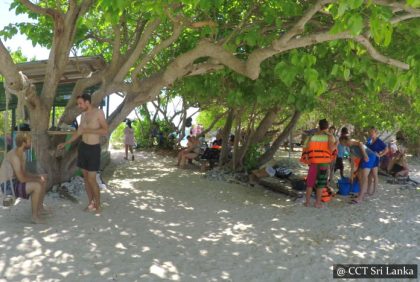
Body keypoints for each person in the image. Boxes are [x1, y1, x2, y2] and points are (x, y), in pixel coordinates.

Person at [57, 94, 108, 213]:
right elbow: (79, 132)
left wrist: (88, 130)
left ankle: (98, 205)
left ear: (87, 102)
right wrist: (66, 143)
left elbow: (105, 130)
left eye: (80, 103)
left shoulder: (99, 112)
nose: (79, 106)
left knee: (92, 178)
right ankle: (90, 203)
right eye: (78, 104)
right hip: (83, 148)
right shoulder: (83, 115)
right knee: (85, 178)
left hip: (94, 149)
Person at [0, 132, 48, 224]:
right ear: (23, 143)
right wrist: (37, 179)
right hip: (8, 186)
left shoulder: (23, 154)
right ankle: (34, 217)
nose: (31, 143)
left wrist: (38, 176)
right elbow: (22, 179)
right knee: (37, 185)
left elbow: (24, 173)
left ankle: (40, 208)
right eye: (29, 141)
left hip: (15, 181)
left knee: (43, 179)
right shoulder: (14, 157)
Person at [302, 119, 335, 208]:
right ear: (327, 127)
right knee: (321, 183)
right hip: (324, 163)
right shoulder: (330, 137)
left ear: (319, 126)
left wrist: (307, 159)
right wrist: (337, 144)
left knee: (310, 183)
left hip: (313, 162)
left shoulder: (312, 136)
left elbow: (305, 148)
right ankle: (317, 203)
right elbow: (332, 149)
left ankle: (307, 203)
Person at [339, 135, 378, 204]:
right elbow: (352, 162)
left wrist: (365, 155)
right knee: (359, 175)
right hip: (363, 158)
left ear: (345, 140)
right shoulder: (349, 148)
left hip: (370, 156)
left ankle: (360, 197)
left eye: (343, 143)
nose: (344, 145)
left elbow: (360, 143)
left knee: (364, 177)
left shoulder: (352, 141)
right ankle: (361, 193)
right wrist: (351, 175)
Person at [365, 127, 388, 196]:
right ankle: (368, 190)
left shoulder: (379, 141)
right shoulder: (369, 140)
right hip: (369, 159)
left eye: (372, 132)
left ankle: (374, 191)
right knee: (369, 176)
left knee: (375, 175)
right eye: (370, 132)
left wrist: (380, 155)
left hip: (375, 160)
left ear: (376, 133)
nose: (371, 133)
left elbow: (387, 149)